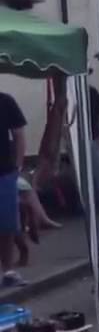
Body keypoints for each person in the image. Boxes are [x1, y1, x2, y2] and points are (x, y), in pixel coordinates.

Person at [0, 91, 27, 288]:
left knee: (7, 224)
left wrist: (18, 166)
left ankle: (8, 270)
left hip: (5, 171)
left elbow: (19, 135)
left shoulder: (6, 101)